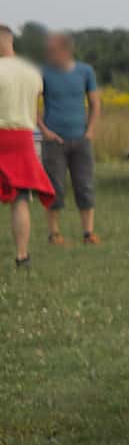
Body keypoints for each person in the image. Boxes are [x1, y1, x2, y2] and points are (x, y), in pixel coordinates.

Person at [0, 25, 56, 268]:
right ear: (11, 39)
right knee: (21, 197)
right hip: (23, 136)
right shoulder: (32, 72)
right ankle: (22, 256)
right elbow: (36, 104)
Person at [37, 31, 100, 246]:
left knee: (85, 185)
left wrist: (90, 130)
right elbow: (31, 102)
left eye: (53, 50)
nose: (48, 54)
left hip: (81, 139)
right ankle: (54, 234)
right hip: (54, 141)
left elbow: (95, 103)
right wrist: (44, 130)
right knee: (54, 186)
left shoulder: (85, 72)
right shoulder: (43, 72)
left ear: (65, 50)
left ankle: (88, 233)